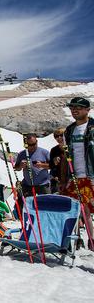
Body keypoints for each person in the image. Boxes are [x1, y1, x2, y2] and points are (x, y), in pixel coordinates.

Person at [62, 97, 94, 250]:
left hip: (92, 175)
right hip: (76, 177)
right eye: (72, 107)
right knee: (82, 210)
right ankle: (91, 241)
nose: (75, 110)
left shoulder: (93, 127)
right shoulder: (69, 130)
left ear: (88, 110)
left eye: (79, 107)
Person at [49, 127, 66, 194]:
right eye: (56, 136)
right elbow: (51, 165)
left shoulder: (72, 148)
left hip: (70, 179)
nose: (58, 138)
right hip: (57, 181)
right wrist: (54, 162)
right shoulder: (54, 150)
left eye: (61, 135)